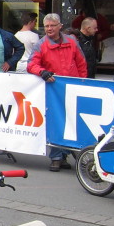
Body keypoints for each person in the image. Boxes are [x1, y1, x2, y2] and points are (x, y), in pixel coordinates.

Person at [27, 13, 87, 171]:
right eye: (46, 26)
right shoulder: (41, 44)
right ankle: (56, 156)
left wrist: (82, 82)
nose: (49, 29)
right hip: (53, 89)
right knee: (56, 122)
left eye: (52, 25)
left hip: (72, 88)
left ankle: (65, 154)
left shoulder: (72, 42)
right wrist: (43, 72)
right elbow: (31, 64)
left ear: (60, 26)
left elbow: (81, 63)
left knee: (71, 122)